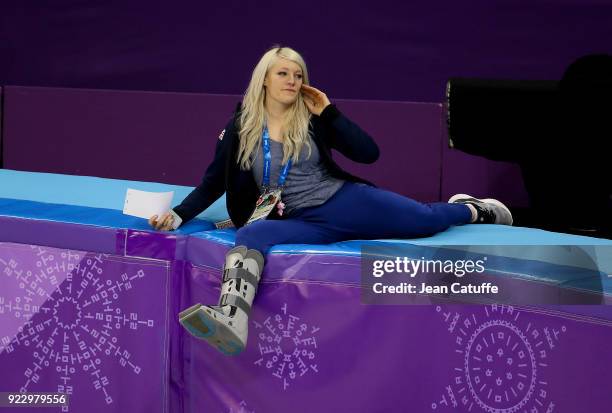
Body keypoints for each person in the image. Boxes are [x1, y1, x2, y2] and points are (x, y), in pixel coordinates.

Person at [148, 46, 513, 355]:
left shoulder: (312, 117)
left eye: (298, 74)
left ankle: (472, 208)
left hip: (341, 201)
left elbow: (369, 153)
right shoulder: (241, 127)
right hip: (296, 219)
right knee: (251, 237)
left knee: (423, 220)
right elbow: (213, 182)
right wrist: (178, 215)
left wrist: (330, 112)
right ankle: (231, 318)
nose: (292, 80)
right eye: (283, 74)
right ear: (264, 80)